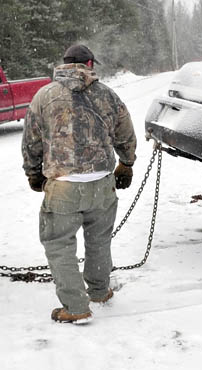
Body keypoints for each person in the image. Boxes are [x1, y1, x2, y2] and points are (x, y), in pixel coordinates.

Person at [22, 44, 137, 323]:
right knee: (99, 239)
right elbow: (125, 132)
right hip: (101, 182)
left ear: (64, 64)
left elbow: (31, 141)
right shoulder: (107, 94)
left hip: (63, 185)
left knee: (59, 244)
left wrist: (33, 173)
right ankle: (99, 290)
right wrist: (127, 163)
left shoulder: (44, 96)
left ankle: (75, 306)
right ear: (88, 63)